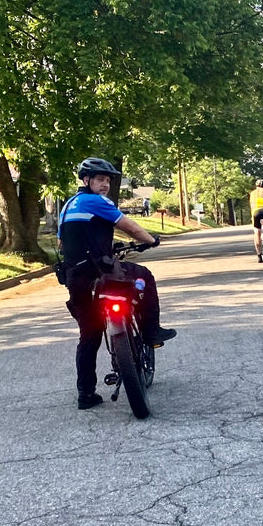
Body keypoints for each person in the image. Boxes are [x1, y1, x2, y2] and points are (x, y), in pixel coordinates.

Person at [59, 157, 178, 410]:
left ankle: (85, 394)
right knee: (144, 276)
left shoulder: (67, 206)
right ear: (86, 180)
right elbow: (129, 226)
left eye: (108, 180)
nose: (105, 185)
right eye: (100, 179)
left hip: (76, 279)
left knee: (89, 335)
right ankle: (151, 331)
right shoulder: (97, 201)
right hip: (102, 274)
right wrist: (151, 240)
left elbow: (65, 243)